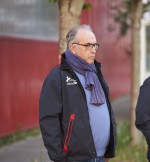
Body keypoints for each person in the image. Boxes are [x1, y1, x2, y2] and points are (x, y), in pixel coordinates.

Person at [39, 24, 117, 162]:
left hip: (101, 156)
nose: (93, 50)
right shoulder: (57, 77)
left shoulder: (95, 72)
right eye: (87, 45)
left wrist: (108, 151)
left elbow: (107, 111)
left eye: (95, 46)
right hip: (75, 158)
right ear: (72, 48)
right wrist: (58, 157)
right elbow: (49, 120)